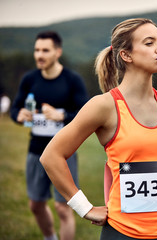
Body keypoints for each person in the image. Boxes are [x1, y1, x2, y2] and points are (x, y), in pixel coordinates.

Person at [39, 18, 157, 240]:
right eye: (149, 43)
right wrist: (85, 208)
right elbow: (51, 156)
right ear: (126, 55)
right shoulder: (104, 106)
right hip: (123, 232)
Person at [10, 31, 89, 240]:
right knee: (35, 205)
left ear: (58, 52)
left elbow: (86, 115)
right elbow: (15, 108)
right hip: (36, 152)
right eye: (37, 50)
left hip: (64, 153)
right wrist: (19, 114)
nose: (39, 55)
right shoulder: (29, 79)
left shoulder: (72, 80)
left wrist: (61, 115)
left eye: (45, 50)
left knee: (64, 208)